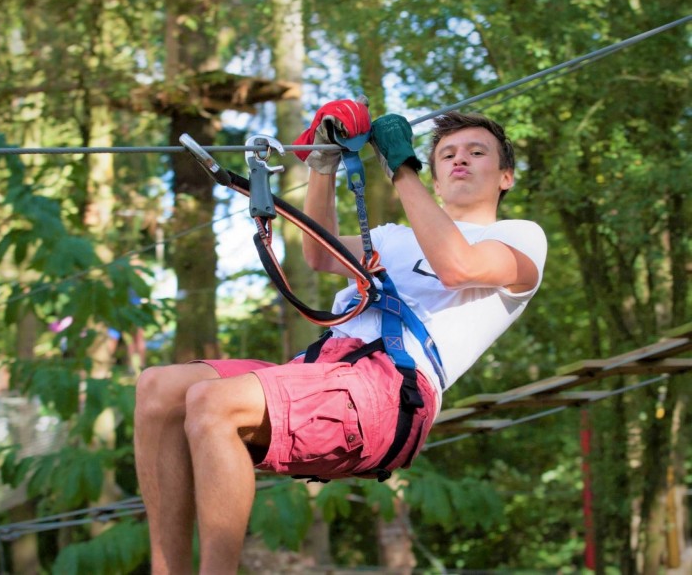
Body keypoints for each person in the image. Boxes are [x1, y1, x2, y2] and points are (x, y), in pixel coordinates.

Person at [134, 101, 547, 574]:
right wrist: (323, 165)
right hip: (326, 368)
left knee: (213, 402)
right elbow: (320, 253)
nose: (460, 159)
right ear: (436, 179)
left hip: (392, 391)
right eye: (448, 153)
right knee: (157, 390)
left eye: (477, 153)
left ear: (505, 177)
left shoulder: (519, 236)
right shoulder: (393, 237)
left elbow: (458, 268)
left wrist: (401, 168)